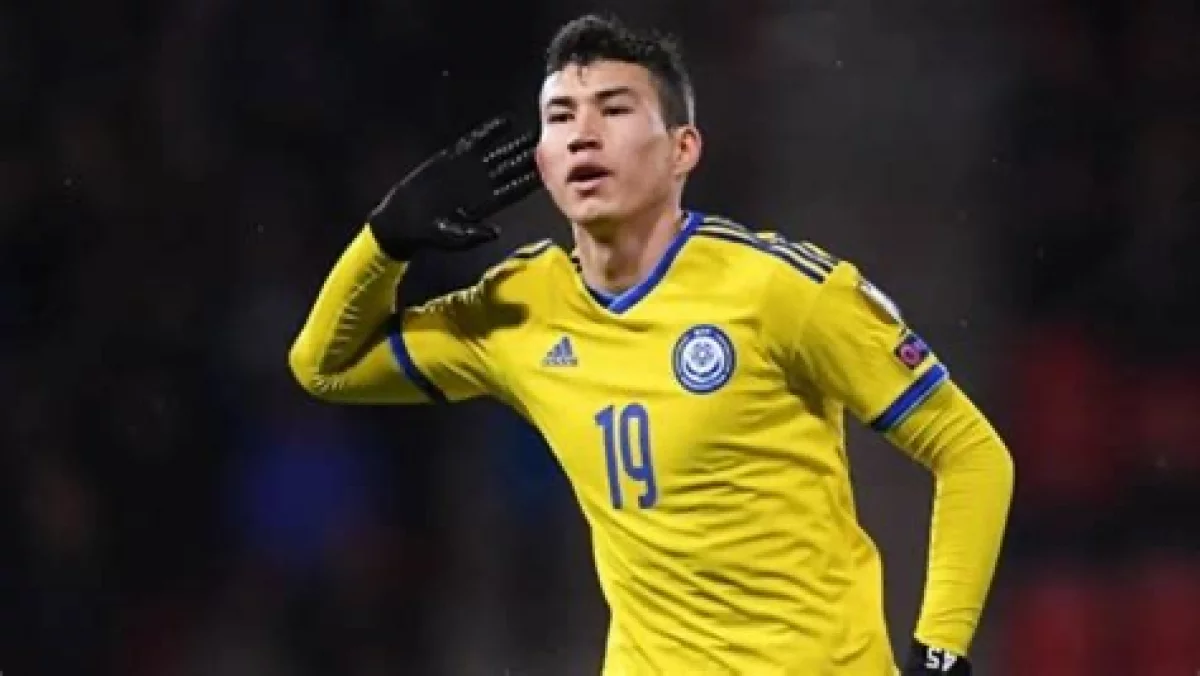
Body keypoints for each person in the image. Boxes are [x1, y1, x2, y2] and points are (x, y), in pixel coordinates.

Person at [289, 13, 1014, 675]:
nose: (583, 134)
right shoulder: (519, 307)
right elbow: (324, 368)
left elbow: (971, 452)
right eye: (560, 116)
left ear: (682, 150)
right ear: (542, 161)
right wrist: (386, 240)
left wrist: (942, 648)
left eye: (614, 109)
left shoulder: (779, 290)